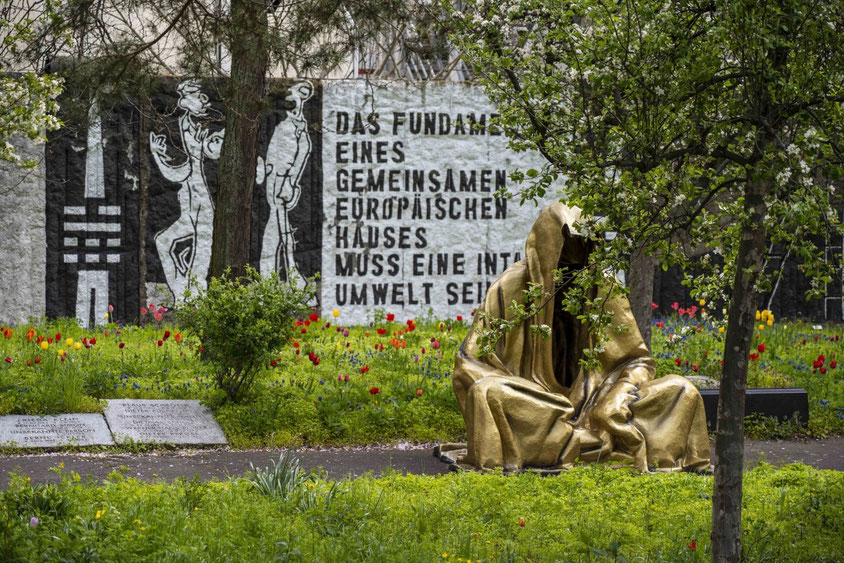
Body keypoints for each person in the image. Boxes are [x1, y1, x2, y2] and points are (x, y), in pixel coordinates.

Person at [437, 202, 710, 473]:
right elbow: (468, 365)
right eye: (562, 266)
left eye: (580, 268)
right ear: (544, 257)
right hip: (541, 409)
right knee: (487, 391)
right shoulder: (512, 286)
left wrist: (618, 396)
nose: (571, 279)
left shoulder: (604, 285)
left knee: (682, 391)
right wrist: (529, 395)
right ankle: (573, 439)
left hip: (598, 409)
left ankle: (571, 441)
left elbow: (636, 361)